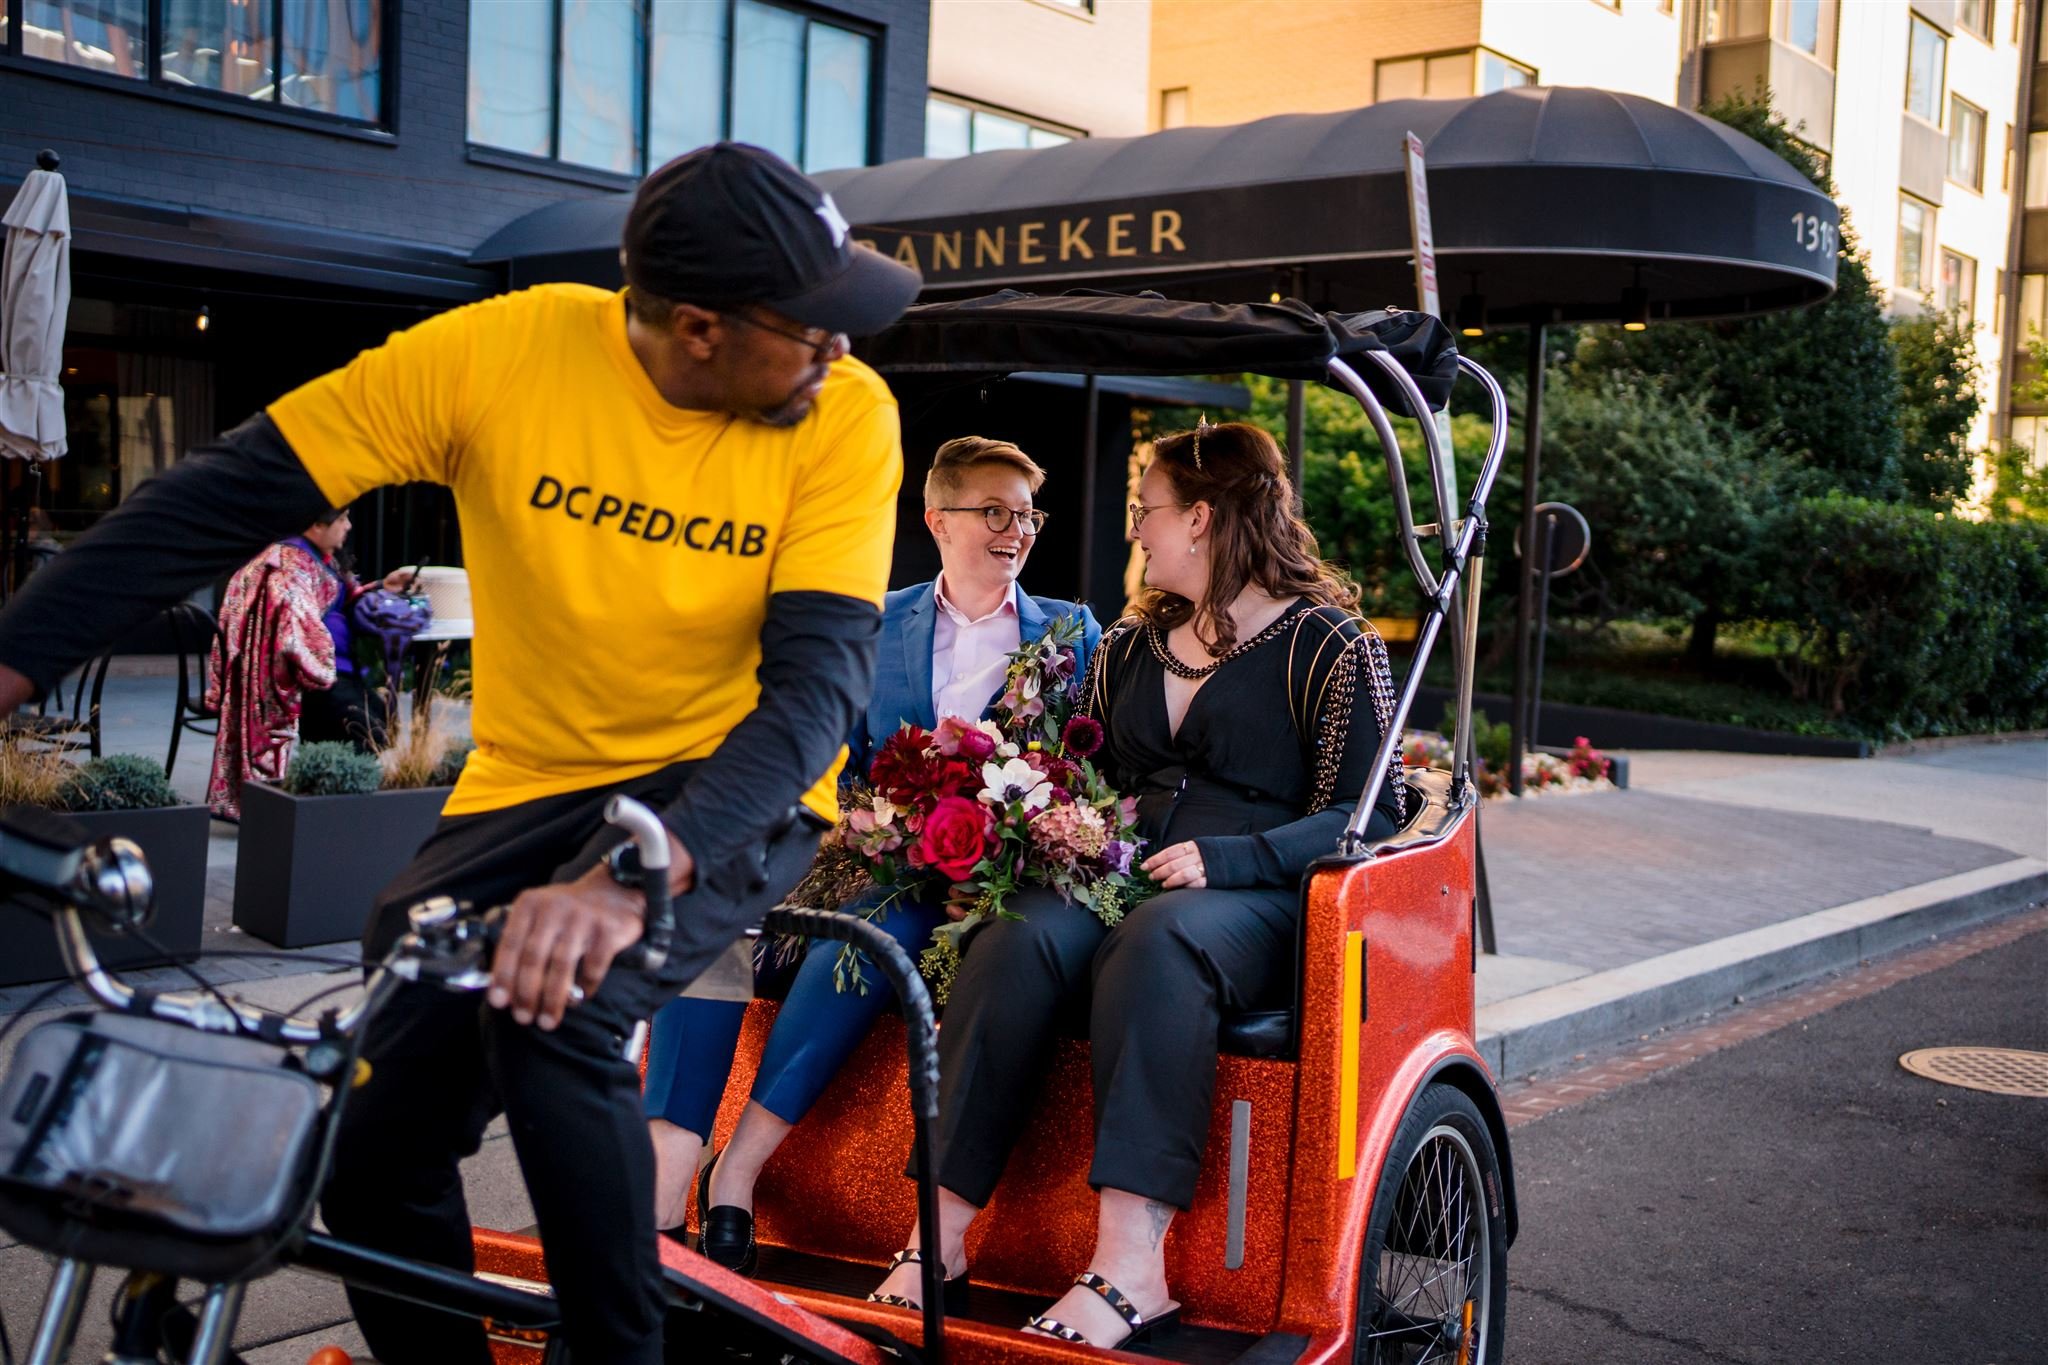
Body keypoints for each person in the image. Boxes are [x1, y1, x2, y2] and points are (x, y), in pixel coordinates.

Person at [0, 142, 920, 1365]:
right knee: (373, 1149)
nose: (838, 351)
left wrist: (631, 877)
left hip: (726, 781)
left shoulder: (845, 415)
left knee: (558, 1009)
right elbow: (218, 502)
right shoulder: (507, 352)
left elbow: (815, 693)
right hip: (528, 784)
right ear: (698, 326)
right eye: (810, 327)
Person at [868, 421, 1407, 1347]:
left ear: (1199, 518)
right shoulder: (1133, 641)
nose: (1134, 531)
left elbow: (1373, 813)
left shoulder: (1331, 645)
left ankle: (1131, 1268)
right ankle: (941, 1230)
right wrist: (1040, 827)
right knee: (1020, 932)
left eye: (1144, 511)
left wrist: (1232, 859)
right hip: (1127, 876)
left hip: (1261, 894)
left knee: (1159, 944)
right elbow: (1087, 774)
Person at [642, 435, 1102, 1271]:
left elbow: (1082, 763)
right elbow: (826, 752)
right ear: (938, 518)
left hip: (967, 878)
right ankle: (665, 1180)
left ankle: (737, 1171)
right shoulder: (876, 621)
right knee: (706, 914)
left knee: (864, 943)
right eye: (995, 510)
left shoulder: (1070, 630)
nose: (1018, 529)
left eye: (1028, 513)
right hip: (856, 844)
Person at [294, 507, 409, 752]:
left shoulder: (322, 558)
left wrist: (382, 586)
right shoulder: (294, 562)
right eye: (342, 519)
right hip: (318, 675)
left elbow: (342, 599)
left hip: (341, 668)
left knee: (382, 714)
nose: (348, 526)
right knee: (367, 726)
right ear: (318, 525)